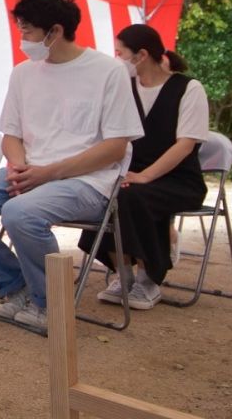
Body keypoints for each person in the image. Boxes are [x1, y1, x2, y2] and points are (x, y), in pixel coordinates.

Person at [0, 0, 143, 331]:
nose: (22, 39)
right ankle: (17, 288)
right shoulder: (23, 73)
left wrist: (47, 174)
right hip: (30, 175)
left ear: (55, 32)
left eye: (28, 31)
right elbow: (11, 136)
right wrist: (17, 165)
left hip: (88, 182)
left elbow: (115, 147)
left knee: (20, 212)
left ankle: (50, 304)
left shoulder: (108, 71)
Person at [78, 24, 209, 310]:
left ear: (141, 55)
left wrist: (146, 176)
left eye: (120, 52)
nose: (117, 59)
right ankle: (122, 275)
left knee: (130, 195)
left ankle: (148, 279)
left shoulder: (188, 89)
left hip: (178, 180)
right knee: (108, 192)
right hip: (131, 175)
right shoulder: (125, 88)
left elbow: (185, 145)